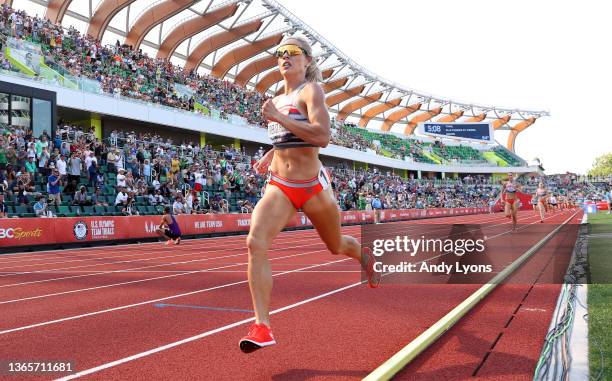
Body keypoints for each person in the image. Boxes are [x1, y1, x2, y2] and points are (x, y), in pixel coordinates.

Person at [239, 36, 380, 354]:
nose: (284, 57)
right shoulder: (277, 97)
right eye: (280, 53)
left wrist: (279, 117)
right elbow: (285, 140)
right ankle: (262, 326)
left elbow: (322, 136)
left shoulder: (311, 91)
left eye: (291, 53)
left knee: (336, 246)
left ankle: (364, 258)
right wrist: (268, 155)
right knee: (255, 242)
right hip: (280, 186)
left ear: (307, 61)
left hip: (312, 187)